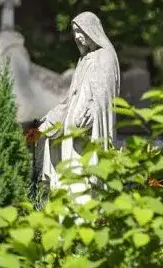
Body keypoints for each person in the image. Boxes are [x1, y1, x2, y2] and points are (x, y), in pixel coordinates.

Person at [39, 11, 120, 191]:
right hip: (73, 124)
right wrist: (54, 117)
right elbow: (72, 96)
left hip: (87, 126)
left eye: (81, 31)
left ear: (92, 30)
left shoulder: (105, 56)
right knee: (70, 173)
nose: (77, 36)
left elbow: (105, 95)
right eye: (75, 31)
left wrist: (92, 112)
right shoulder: (84, 59)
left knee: (82, 174)